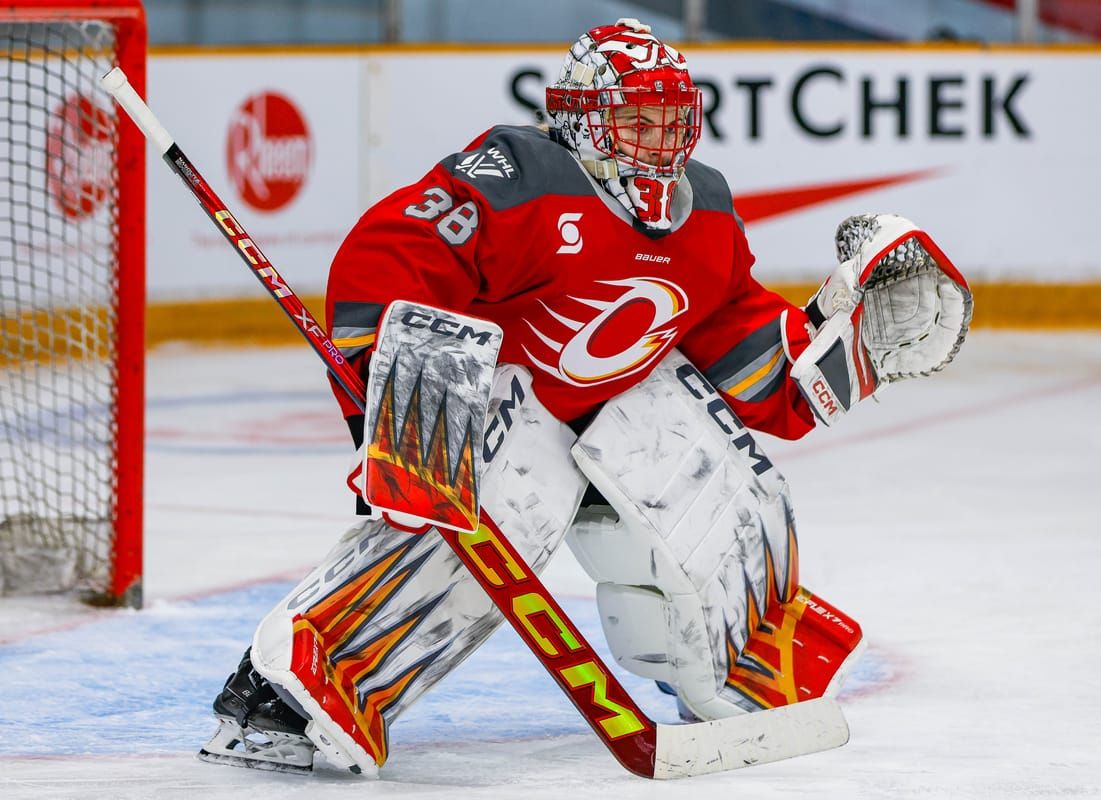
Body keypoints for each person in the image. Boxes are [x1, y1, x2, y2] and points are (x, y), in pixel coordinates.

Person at [198, 19, 971, 777]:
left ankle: (743, 662)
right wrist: (405, 390)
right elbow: (391, 251)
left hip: (618, 413)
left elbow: (737, 337)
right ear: (583, 122)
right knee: (500, 505)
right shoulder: (521, 176)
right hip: (503, 405)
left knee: (730, 484)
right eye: (639, 121)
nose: (662, 143)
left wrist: (843, 338)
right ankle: (288, 692)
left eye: (674, 122)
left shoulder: (704, 209)